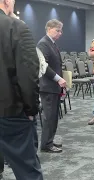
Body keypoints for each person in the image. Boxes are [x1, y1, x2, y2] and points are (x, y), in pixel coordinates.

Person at [0, 0, 43, 179]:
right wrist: (31, 109)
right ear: (7, 1)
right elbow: (28, 74)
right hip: (10, 113)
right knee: (27, 170)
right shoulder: (16, 28)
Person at [37, 19, 66, 153]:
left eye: (61, 30)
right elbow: (44, 67)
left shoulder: (52, 43)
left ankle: (50, 141)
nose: (60, 33)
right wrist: (58, 79)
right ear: (49, 28)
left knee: (54, 116)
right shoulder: (43, 44)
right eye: (57, 30)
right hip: (48, 86)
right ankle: (46, 145)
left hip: (54, 87)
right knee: (49, 117)